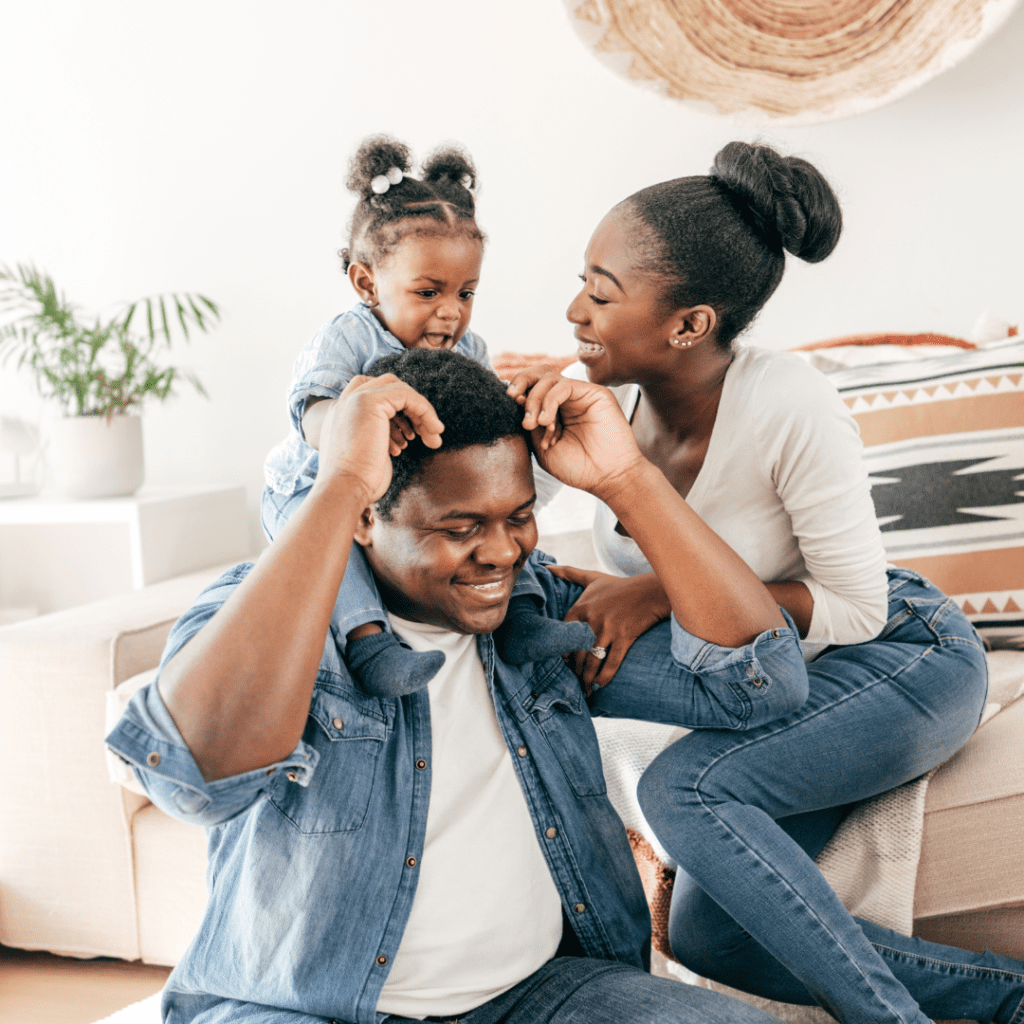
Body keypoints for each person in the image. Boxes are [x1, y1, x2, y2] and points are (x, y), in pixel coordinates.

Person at [106, 348, 811, 1024]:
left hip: (538, 996)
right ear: (364, 519)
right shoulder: (273, 615)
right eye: (462, 527)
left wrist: (629, 476)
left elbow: (763, 683)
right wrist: (341, 481)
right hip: (302, 1009)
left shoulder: (541, 614)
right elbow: (194, 779)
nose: (503, 552)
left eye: (520, 518)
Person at [508, 141, 1024, 1024]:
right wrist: (487, 408)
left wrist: (660, 587)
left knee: (685, 790)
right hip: (762, 669)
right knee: (714, 939)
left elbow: (857, 605)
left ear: (689, 324)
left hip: (898, 655)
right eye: (580, 283)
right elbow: (485, 524)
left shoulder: (789, 402)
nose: (573, 310)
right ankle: (1006, 1003)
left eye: (601, 292)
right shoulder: (608, 402)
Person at [261, 135, 591, 699]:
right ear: (367, 282)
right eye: (428, 291)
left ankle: (525, 619)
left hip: (409, 497)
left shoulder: (468, 350)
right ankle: (369, 644)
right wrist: (350, 435)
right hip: (315, 484)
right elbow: (313, 412)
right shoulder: (350, 337)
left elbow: (486, 425)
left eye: (466, 293)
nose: (451, 312)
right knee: (332, 551)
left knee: (501, 524)